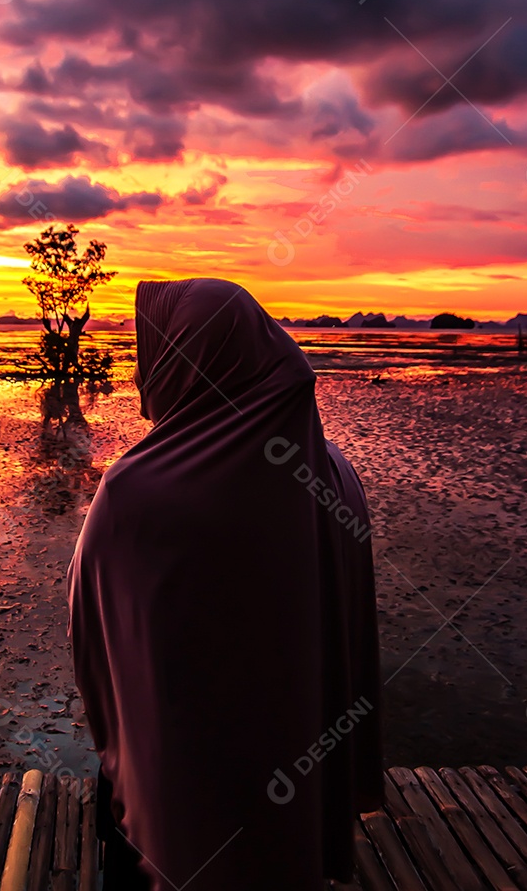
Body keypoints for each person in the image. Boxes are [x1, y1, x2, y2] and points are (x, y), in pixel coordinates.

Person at [68, 278, 383, 890]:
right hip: (298, 782)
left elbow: (97, 639)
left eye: (153, 357)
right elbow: (346, 635)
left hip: (179, 793)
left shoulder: (137, 492)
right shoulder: (336, 475)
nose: (139, 382)